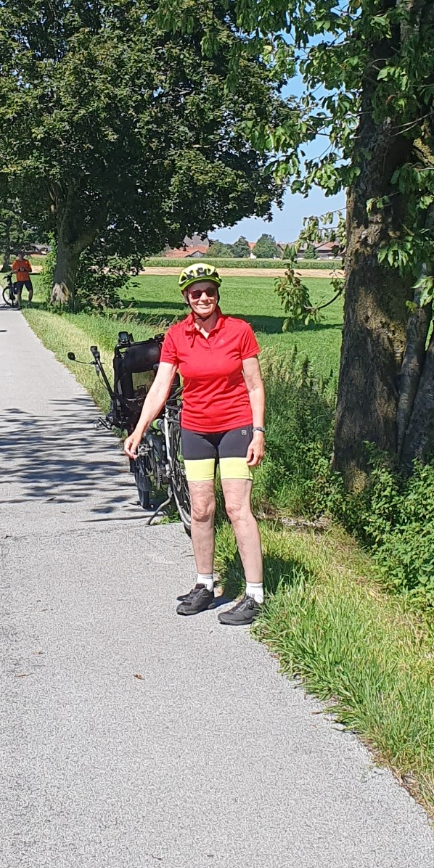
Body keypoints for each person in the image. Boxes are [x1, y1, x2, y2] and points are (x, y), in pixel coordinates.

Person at [123, 262, 266, 626]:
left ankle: (254, 593)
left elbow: (253, 385)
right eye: (196, 293)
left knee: (237, 508)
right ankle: (205, 584)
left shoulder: (239, 331)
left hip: (236, 427)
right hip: (197, 429)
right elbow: (161, 386)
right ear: (186, 297)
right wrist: (139, 429)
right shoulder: (176, 336)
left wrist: (259, 431)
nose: (204, 298)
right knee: (201, 509)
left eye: (210, 292)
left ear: (217, 295)